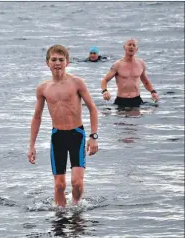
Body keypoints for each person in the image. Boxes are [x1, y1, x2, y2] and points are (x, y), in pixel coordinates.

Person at [27, 44, 99, 208]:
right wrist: (31, 145)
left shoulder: (77, 83)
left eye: (61, 59)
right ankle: (60, 215)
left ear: (67, 62)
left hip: (77, 135)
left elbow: (93, 109)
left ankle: (75, 206)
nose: (57, 63)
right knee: (59, 185)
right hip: (57, 136)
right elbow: (37, 117)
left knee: (77, 183)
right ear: (47, 63)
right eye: (54, 59)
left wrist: (93, 136)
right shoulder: (43, 88)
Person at [101, 38, 160, 107]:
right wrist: (105, 91)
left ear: (136, 49)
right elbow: (104, 80)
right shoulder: (118, 64)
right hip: (121, 101)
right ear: (124, 47)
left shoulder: (141, 63)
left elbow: (146, 82)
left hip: (137, 100)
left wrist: (153, 92)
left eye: (134, 45)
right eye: (129, 45)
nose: (131, 47)